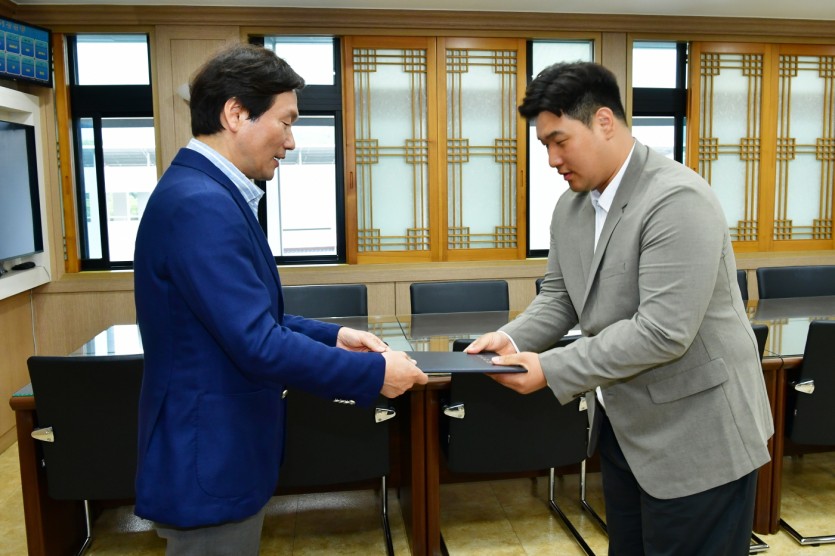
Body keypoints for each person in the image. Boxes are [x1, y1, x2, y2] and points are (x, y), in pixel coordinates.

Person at [466, 62, 773, 555]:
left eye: (560, 141)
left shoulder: (676, 198)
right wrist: (512, 338)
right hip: (627, 430)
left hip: (700, 436)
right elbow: (561, 296)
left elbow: (662, 332)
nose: (551, 159)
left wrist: (550, 368)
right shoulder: (571, 207)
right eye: (544, 145)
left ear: (604, 122)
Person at [133, 44, 428, 555]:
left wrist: (335, 336)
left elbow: (247, 318)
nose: (291, 141)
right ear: (235, 114)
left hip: (217, 449)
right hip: (209, 455)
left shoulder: (205, 192)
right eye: (286, 122)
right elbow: (257, 343)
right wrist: (375, 374)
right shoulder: (200, 204)